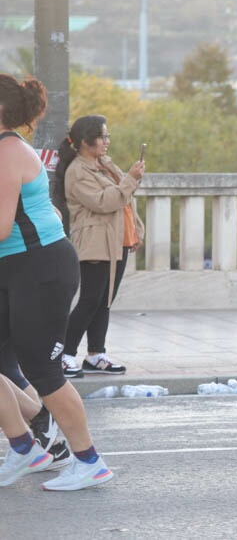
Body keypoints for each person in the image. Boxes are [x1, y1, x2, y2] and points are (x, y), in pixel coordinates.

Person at [0, 73, 114, 490]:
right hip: (15, 267)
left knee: (43, 368)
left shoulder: (8, 152)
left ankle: (90, 461)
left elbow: (1, 225)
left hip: (41, 266)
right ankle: (26, 448)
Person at [55, 115, 145, 377]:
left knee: (105, 301)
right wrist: (130, 177)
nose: (107, 142)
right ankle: (64, 354)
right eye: (102, 137)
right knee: (90, 300)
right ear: (85, 142)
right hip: (96, 242)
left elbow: (124, 198)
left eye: (107, 136)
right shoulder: (78, 171)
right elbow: (105, 202)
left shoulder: (102, 164)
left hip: (117, 240)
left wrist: (136, 229)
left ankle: (96, 354)